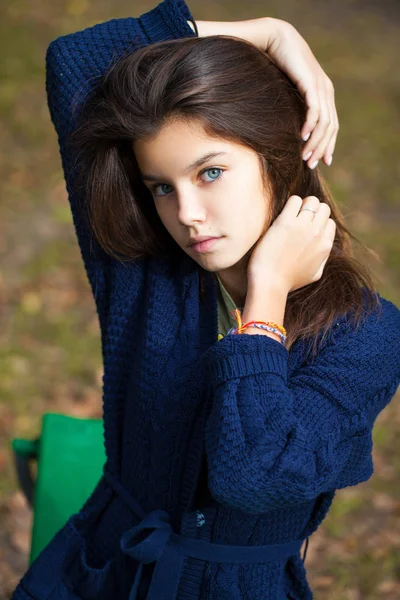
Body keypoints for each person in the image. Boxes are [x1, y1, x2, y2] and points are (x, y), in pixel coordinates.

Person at [12, 1, 400, 599]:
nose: (186, 216)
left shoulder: (368, 334)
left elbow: (255, 474)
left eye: (210, 173)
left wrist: (266, 299)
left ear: (280, 156)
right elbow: (75, 59)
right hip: (98, 572)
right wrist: (271, 34)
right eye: (162, 187)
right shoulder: (148, 269)